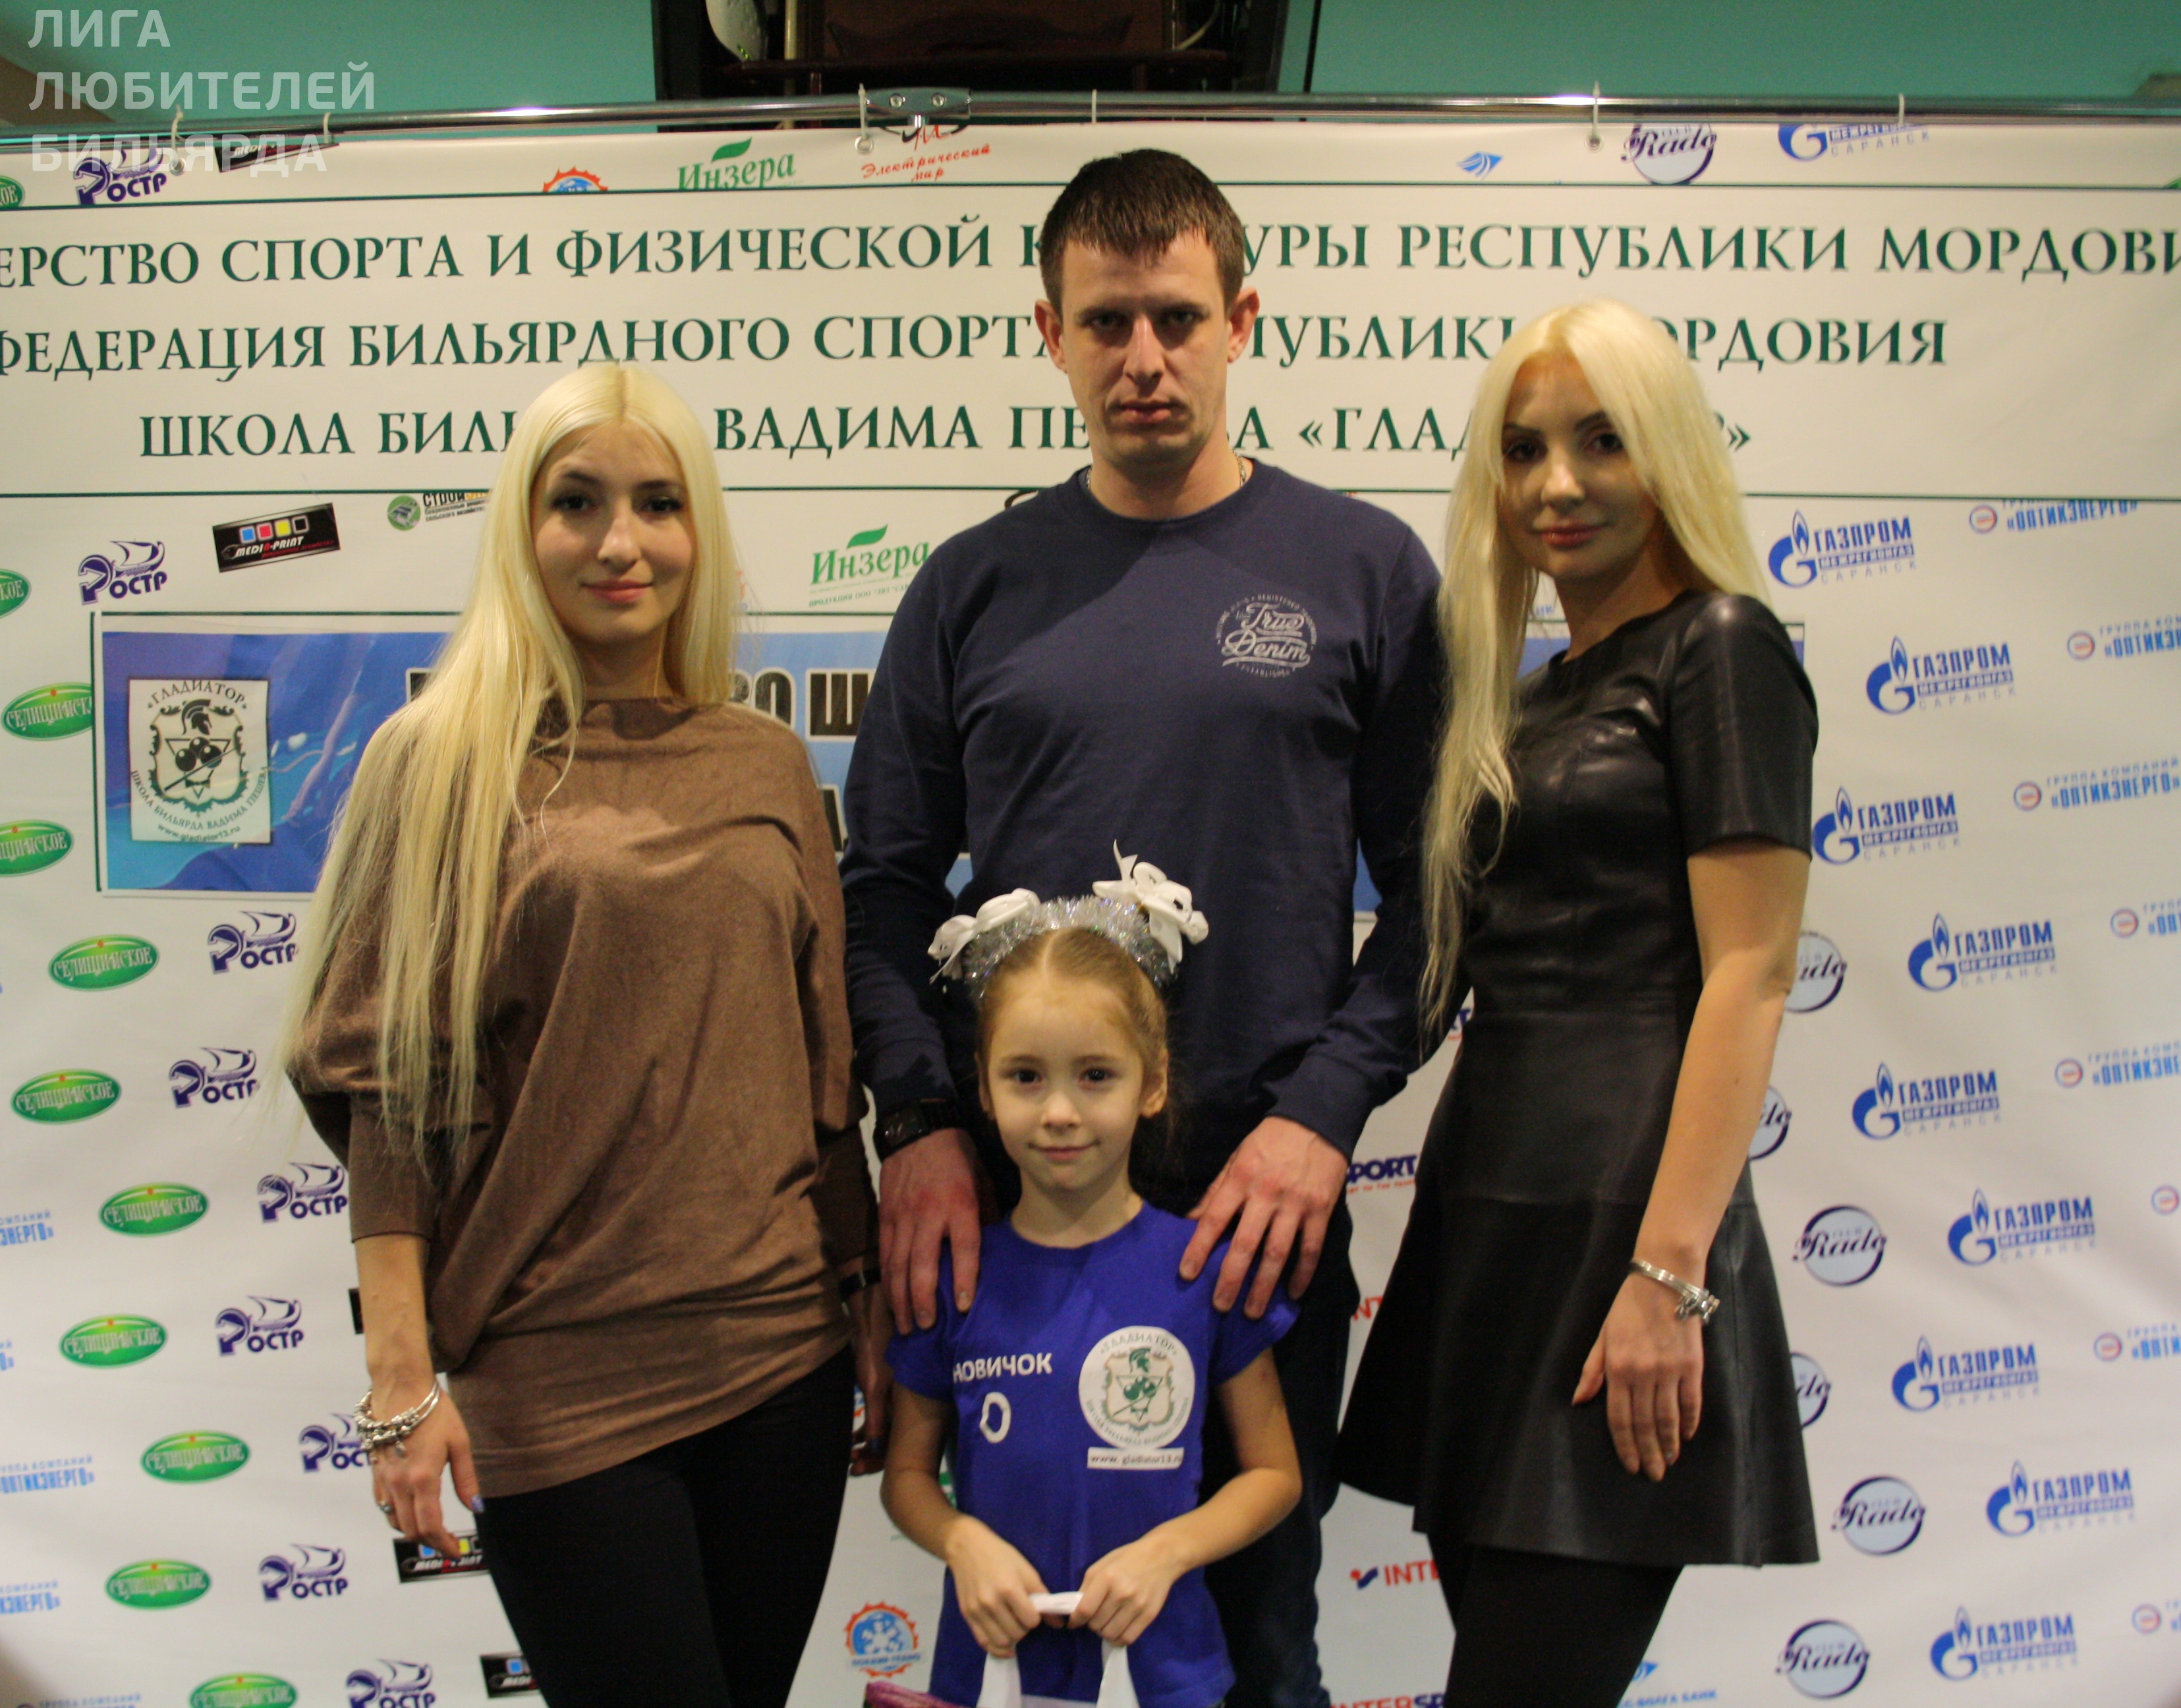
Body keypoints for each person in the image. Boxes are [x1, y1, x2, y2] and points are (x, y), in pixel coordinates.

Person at [841, 147, 1443, 1708]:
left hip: (1257, 1210)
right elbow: (882, 887)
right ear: (1049, 333)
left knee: (1255, 1645)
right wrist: (920, 1122)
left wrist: (1321, 1119)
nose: (1144, 358)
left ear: (1242, 319)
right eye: (1105, 322)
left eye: (1177, 317)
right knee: (1028, 1635)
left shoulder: (1364, 570)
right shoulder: (972, 588)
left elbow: (1442, 898)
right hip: (1021, 1208)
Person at [285, 364, 885, 1708]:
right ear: (522, 526)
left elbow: (820, 1073)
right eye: (578, 503)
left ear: (698, 529)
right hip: (558, 1376)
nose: (622, 542)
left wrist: (869, 1304)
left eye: (658, 503)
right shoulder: (434, 762)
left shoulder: (764, 761)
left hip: (781, 1359)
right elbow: (387, 1094)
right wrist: (398, 1385)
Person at [1334, 299, 1822, 1707]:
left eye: (1603, 441)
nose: (1557, 483)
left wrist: (1667, 1282)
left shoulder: (1721, 647)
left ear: (1668, 452)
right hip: (1486, 1231)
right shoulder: (1527, 701)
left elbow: (1750, 972)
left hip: (1623, 1248)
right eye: (1524, 448)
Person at [884, 863, 1301, 1708]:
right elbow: (906, 1479)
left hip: (1162, 1673)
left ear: (1154, 1082)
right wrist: (962, 1543)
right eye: (1026, 1077)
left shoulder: (1202, 1270)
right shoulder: (955, 1277)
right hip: (990, 1672)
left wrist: (1166, 1554)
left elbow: (1275, 1474)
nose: (1060, 1113)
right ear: (983, 1087)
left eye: (1096, 1076)